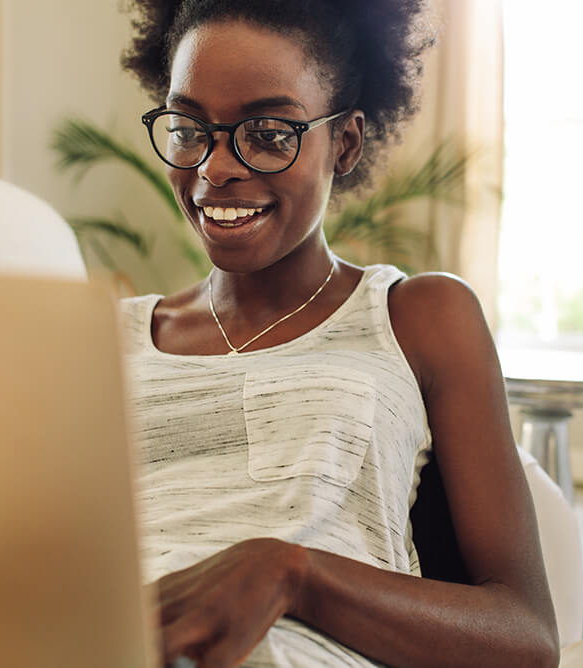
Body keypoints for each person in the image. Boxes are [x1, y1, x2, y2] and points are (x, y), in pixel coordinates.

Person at [116, 1, 560, 666]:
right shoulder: (112, 334)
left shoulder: (419, 316)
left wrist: (291, 574)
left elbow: (526, 637)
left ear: (345, 143)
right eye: (190, 128)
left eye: (267, 134)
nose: (214, 169)